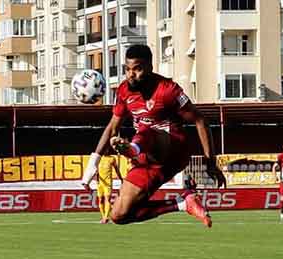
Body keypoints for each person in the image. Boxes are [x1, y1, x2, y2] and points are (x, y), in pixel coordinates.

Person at [81, 44, 226, 227]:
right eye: (127, 69)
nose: (131, 74)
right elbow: (112, 126)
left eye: (137, 69)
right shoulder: (124, 91)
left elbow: (200, 121)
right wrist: (93, 163)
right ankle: (183, 203)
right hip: (147, 159)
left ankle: (131, 148)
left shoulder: (168, 90)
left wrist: (210, 163)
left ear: (150, 67)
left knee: (146, 128)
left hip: (172, 149)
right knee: (119, 215)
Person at [96, 149, 122, 224]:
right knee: (100, 199)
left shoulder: (112, 159)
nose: (106, 151)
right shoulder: (99, 158)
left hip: (108, 183)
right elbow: (95, 170)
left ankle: (106, 217)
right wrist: (96, 179)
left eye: (107, 150)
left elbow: (117, 169)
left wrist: (120, 178)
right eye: (105, 150)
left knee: (107, 199)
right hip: (100, 183)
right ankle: (103, 216)